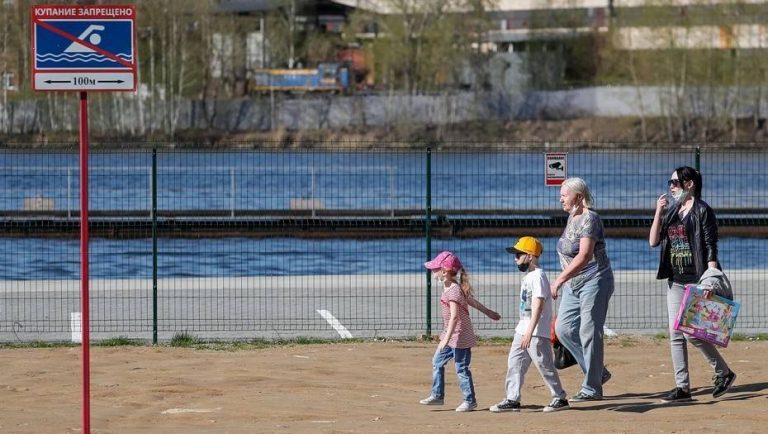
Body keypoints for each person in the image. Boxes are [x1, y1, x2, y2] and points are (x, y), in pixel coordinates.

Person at [649, 166, 736, 403]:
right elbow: (653, 241)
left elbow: (710, 244)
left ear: (690, 184)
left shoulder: (703, 210)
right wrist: (658, 211)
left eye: (675, 182)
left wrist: (709, 278)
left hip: (696, 280)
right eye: (670, 182)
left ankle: (724, 372)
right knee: (675, 333)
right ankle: (682, 387)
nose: (671, 186)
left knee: (693, 333)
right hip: (675, 280)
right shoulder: (673, 211)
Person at [550, 177, 614, 401]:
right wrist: (566, 280)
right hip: (573, 284)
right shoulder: (572, 217)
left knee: (589, 332)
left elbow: (585, 255)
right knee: (563, 329)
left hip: (595, 280)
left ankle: (592, 388)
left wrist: (559, 279)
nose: (560, 199)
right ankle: (597, 372)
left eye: (564, 195)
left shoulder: (590, 218)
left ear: (578, 197)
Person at [490, 236, 570, 413]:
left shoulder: (538, 277)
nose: (515, 258)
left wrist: (530, 331)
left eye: (519, 255)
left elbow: (538, 305)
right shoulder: (529, 277)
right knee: (515, 362)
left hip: (535, 331)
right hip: (523, 329)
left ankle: (560, 397)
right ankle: (512, 398)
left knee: (544, 364)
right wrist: (524, 330)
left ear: (530, 256)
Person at [419, 251, 501, 412]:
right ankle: (437, 395)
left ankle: (470, 400)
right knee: (437, 362)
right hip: (450, 336)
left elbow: (455, 317)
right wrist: (489, 312)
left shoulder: (454, 290)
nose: (432, 272)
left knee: (461, 368)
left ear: (444, 272)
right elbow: (470, 300)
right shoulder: (451, 287)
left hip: (459, 336)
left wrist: (445, 339)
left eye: (435, 269)